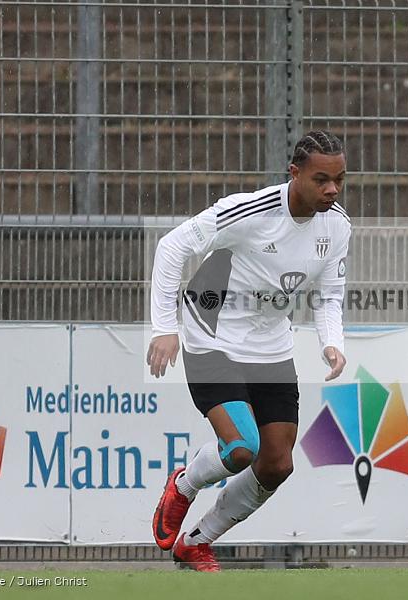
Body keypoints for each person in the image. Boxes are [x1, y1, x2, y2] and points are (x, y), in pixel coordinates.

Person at [146, 130, 351, 571]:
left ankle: (197, 542)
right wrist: (163, 327)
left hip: (271, 348)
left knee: (277, 464)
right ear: (294, 173)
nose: (332, 190)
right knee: (241, 447)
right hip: (211, 336)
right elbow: (171, 246)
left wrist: (331, 341)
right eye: (321, 180)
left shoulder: (336, 225)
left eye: (339, 179)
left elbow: (330, 293)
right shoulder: (251, 210)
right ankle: (184, 485)